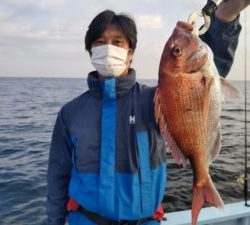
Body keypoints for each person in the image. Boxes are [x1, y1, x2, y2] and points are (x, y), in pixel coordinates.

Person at [47, 1, 249, 224]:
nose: (108, 49)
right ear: (90, 50)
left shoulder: (151, 101)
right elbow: (58, 176)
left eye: (117, 42)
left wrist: (223, 18)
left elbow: (207, 74)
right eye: (100, 42)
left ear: (130, 53)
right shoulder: (70, 113)